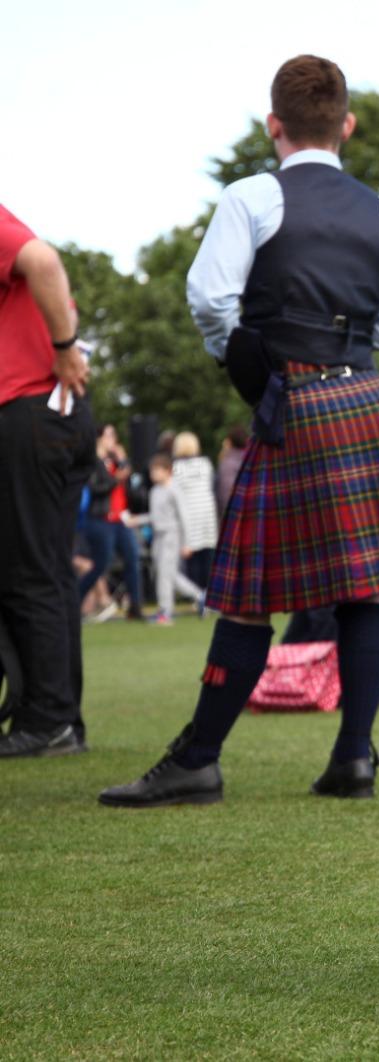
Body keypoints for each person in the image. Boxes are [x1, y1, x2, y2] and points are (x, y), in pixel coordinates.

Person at [99, 54, 379, 806]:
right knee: (366, 590)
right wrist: (346, 333)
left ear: (273, 125)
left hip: (298, 398)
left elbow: (210, 298)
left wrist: (252, 361)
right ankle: (354, 757)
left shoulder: (253, 196)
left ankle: (199, 758)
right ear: (346, 126)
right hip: (367, 398)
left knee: (249, 593)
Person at [0, 204, 95, 758]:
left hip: (31, 409)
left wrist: (64, 350)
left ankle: (49, 720)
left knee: (30, 574)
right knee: (47, 573)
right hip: (50, 412)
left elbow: (43, 259)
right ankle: (56, 717)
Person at [122, 455, 207, 625]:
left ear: (167, 471)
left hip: (171, 535)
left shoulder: (174, 489)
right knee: (167, 574)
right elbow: (154, 517)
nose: (153, 474)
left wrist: (187, 543)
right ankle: (201, 596)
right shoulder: (155, 491)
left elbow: (184, 517)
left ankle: (165, 612)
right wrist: (136, 520)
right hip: (158, 536)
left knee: (165, 576)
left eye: (157, 470)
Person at [78, 424, 146, 620]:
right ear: (99, 438)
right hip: (100, 519)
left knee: (133, 559)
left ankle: (135, 607)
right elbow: (94, 489)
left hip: (120, 519)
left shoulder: (116, 461)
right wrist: (115, 479)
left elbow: (131, 487)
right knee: (100, 564)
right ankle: (74, 601)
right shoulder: (92, 461)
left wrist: (124, 461)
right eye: (109, 435)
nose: (113, 440)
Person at [170, 431, 220, 591]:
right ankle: (209, 590)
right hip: (207, 513)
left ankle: (198, 592)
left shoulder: (176, 468)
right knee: (208, 555)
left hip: (189, 514)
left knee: (192, 558)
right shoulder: (205, 464)